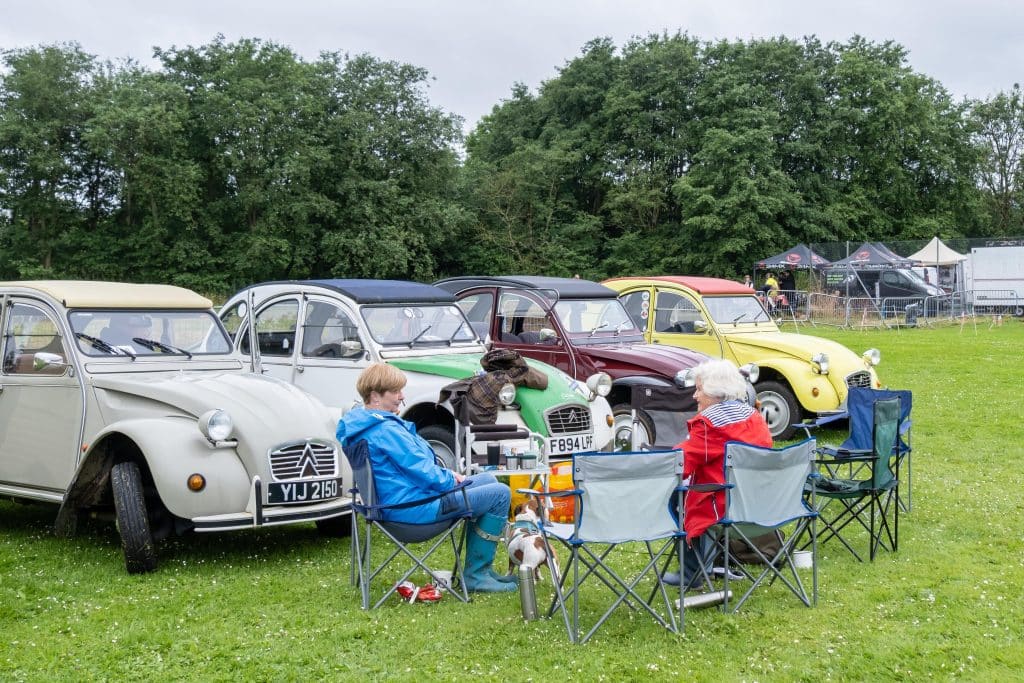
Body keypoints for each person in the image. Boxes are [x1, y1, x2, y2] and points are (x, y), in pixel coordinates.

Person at [336, 363, 518, 593]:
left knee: (488, 481)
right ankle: (476, 575)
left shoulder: (364, 426)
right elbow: (423, 472)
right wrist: (451, 479)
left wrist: (449, 476)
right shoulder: (385, 431)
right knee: (500, 493)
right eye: (395, 392)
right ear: (375, 396)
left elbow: (415, 470)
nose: (402, 396)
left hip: (394, 507)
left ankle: (481, 571)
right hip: (414, 513)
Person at [663, 359, 772, 588]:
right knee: (704, 490)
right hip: (761, 503)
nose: (695, 395)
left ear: (716, 393)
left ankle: (691, 573)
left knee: (678, 496)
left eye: (699, 389)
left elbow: (681, 462)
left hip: (724, 507)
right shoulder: (755, 418)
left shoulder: (710, 425)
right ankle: (710, 564)